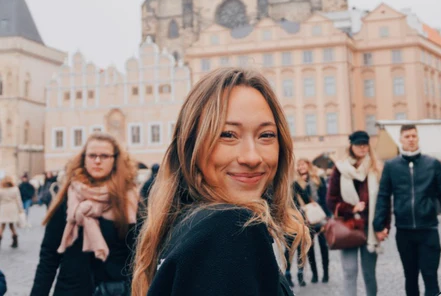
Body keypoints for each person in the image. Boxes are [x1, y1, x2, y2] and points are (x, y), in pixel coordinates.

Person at [132, 67, 310, 296]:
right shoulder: (231, 227)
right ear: (191, 146)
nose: (251, 157)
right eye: (227, 135)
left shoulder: (191, 222)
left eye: (266, 135)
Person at [30, 133, 139, 296]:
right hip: (71, 290)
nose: (97, 161)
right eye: (92, 155)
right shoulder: (68, 199)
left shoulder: (129, 200)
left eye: (104, 156)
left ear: (115, 160)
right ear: (84, 159)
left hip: (114, 291)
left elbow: (138, 256)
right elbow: (49, 256)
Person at [373, 124, 441, 296]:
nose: (411, 139)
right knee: (410, 277)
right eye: (407, 136)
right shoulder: (391, 166)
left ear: (418, 138)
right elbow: (383, 196)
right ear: (400, 139)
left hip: (428, 230)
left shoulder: (432, 164)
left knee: (430, 277)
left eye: (413, 136)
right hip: (404, 231)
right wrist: (378, 225)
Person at [327, 131, 387, 296]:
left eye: (365, 144)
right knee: (349, 272)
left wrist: (384, 227)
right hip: (349, 227)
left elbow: (384, 201)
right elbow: (331, 200)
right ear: (351, 146)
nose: (362, 147)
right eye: (358, 144)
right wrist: (351, 208)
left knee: (369, 274)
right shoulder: (340, 169)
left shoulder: (376, 168)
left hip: (370, 228)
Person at [285, 158, 330, 287]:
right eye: (298, 165)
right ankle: (315, 274)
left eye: (303, 164)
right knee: (309, 249)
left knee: (323, 247)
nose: (301, 166)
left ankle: (325, 273)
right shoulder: (295, 184)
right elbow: (294, 202)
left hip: (320, 218)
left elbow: (325, 200)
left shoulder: (318, 180)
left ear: (308, 165)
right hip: (306, 221)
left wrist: (327, 218)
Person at [0, 176, 24, 249]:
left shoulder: (1, 190)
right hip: (13, 208)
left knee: (2, 226)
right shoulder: (15, 189)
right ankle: (15, 240)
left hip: (4, 208)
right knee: (11, 225)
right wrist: (20, 209)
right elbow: (18, 199)